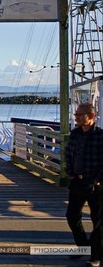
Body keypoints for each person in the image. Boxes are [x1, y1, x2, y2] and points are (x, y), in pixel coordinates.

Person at [65, 103, 103, 266]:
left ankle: (96, 255)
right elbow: (69, 154)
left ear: (91, 116)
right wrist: (70, 171)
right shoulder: (75, 134)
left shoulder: (100, 136)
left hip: (95, 183)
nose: (77, 117)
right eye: (76, 115)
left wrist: (98, 179)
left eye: (80, 115)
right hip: (77, 181)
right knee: (72, 216)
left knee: (98, 220)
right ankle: (83, 247)